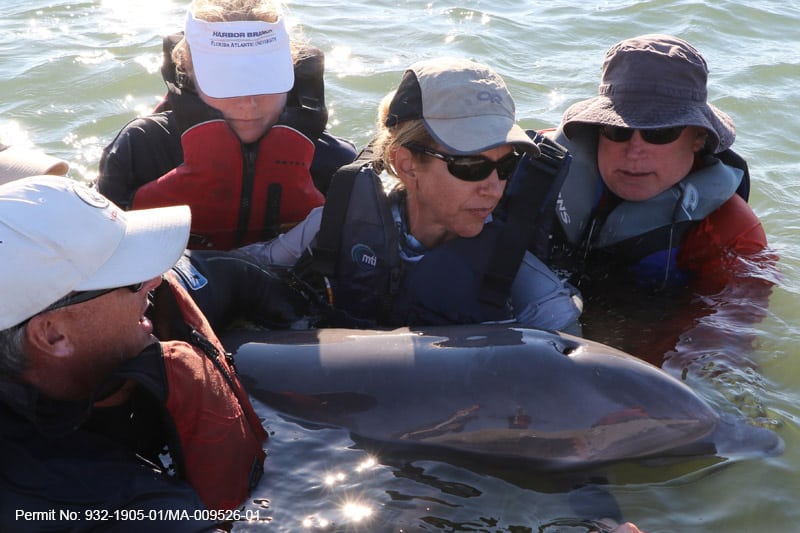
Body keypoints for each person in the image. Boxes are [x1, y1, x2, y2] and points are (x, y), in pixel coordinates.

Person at [0, 175, 270, 531]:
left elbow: (234, 277)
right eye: (129, 277)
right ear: (53, 336)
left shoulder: (130, 313)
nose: (155, 279)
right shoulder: (122, 508)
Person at [240, 57, 583, 332]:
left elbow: (566, 348)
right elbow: (249, 266)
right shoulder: (338, 224)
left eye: (506, 166)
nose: (493, 186)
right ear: (405, 165)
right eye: (470, 166)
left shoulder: (523, 281)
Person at [520, 34, 770, 295]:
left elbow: (727, 329)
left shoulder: (732, 234)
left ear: (698, 138)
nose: (634, 151)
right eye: (618, 130)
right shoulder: (532, 168)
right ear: (596, 130)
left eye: (659, 133)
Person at [96, 0, 357, 250]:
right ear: (188, 71)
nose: (248, 101)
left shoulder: (335, 163)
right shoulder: (142, 148)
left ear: (291, 69)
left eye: (265, 77)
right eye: (226, 80)